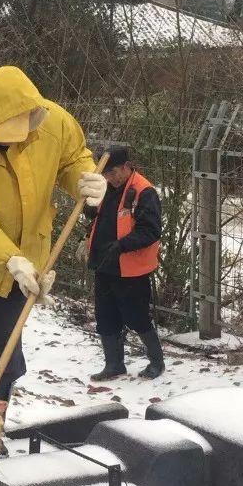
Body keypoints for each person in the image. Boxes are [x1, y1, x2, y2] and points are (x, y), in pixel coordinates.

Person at [0, 66, 106, 399]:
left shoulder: (55, 121)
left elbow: (73, 159)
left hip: (27, 263)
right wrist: (9, 259)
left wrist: (85, 179)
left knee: (5, 346)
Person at [83, 146, 165, 381]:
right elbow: (95, 215)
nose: (110, 178)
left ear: (127, 166)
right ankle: (113, 364)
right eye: (106, 174)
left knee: (137, 316)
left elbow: (150, 231)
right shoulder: (105, 187)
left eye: (114, 172)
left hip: (131, 268)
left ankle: (156, 362)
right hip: (104, 263)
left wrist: (121, 245)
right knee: (105, 316)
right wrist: (88, 205)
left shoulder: (143, 191)